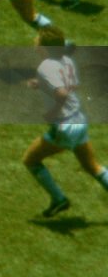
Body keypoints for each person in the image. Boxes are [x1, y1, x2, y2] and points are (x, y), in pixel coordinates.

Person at [22, 26, 108, 217]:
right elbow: (71, 85)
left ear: (44, 47)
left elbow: (61, 93)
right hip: (79, 120)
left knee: (31, 160)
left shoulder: (45, 67)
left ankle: (59, 199)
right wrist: (42, 84)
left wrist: (52, 113)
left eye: (37, 39)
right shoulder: (67, 61)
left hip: (64, 126)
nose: (35, 41)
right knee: (92, 166)